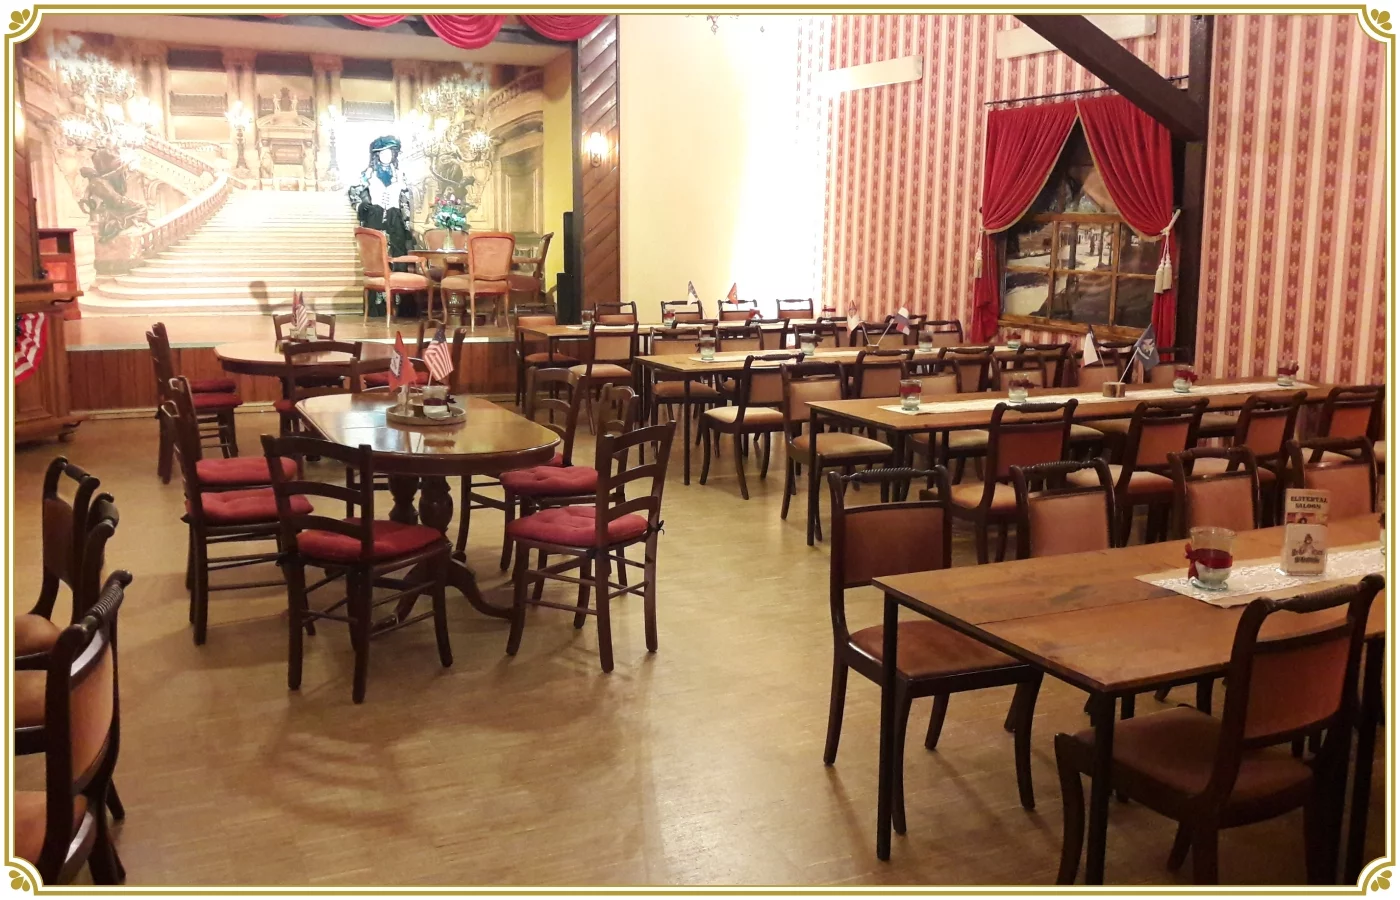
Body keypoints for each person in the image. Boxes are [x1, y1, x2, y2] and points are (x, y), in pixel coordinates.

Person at [347, 135, 413, 258]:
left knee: (398, 247)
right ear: (377, 155)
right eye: (383, 153)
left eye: (389, 153)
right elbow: (354, 191)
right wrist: (360, 205)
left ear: (393, 155)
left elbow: (405, 199)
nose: (386, 156)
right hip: (374, 215)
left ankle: (398, 269)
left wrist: (406, 220)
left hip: (395, 216)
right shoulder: (369, 173)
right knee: (374, 249)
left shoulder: (400, 175)